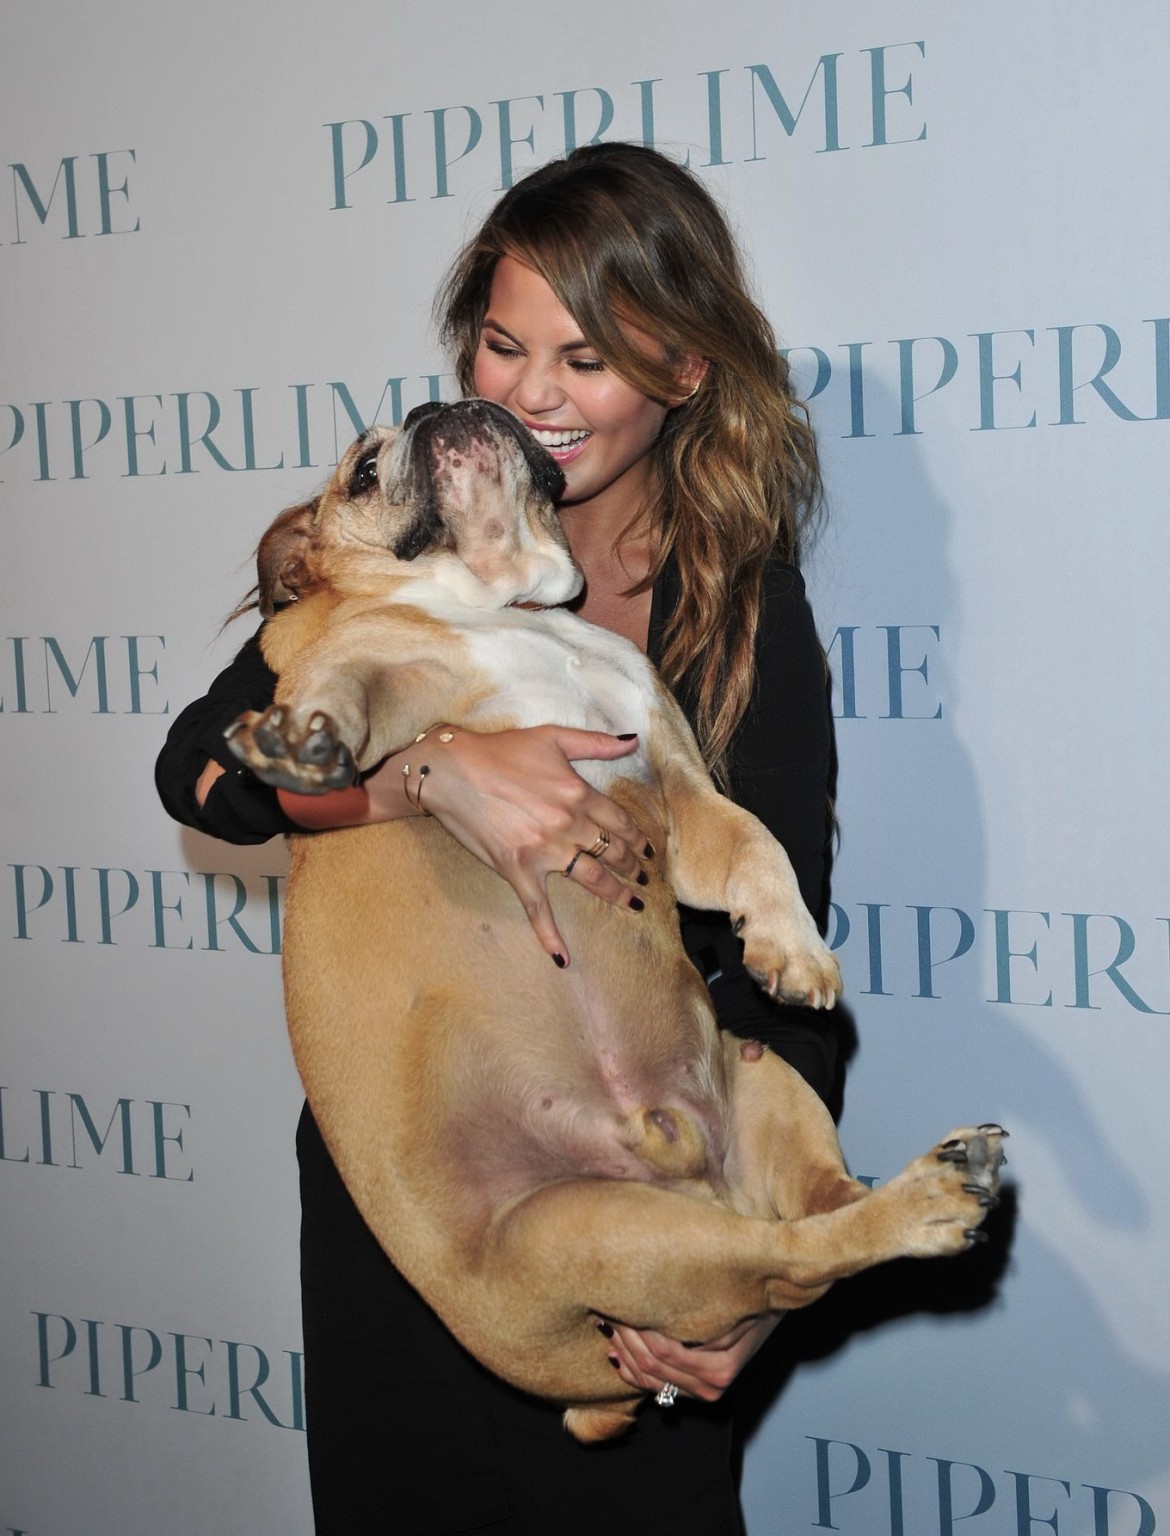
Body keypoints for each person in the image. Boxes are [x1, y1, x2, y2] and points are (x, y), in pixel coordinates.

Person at [156, 142, 837, 1536]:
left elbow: (787, 957)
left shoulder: (740, 612)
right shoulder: (397, 542)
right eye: (501, 343)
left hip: (643, 1181)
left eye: (585, 359)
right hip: (414, 1181)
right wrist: (430, 774)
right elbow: (201, 772)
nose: (530, 392)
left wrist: (772, 1277)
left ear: (683, 372)